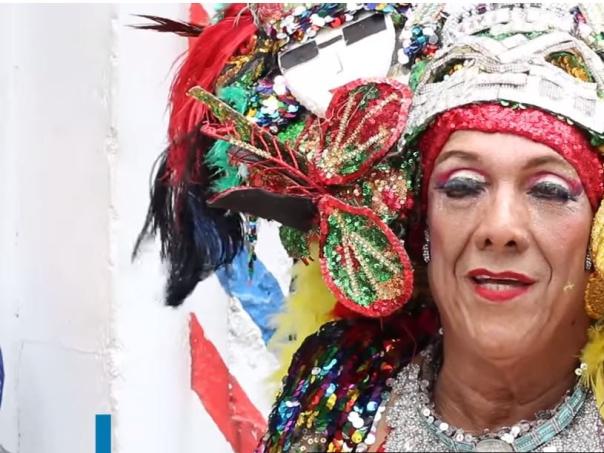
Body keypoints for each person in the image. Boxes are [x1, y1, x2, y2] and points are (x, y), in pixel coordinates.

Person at [136, 3, 604, 452]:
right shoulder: (343, 389)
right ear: (423, 227)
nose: (500, 228)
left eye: (549, 191)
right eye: (462, 186)